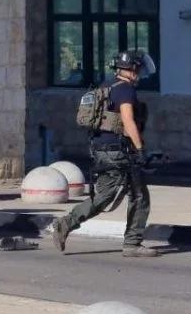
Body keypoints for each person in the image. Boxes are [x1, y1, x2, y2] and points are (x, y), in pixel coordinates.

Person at [53, 50, 158, 258]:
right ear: (133, 69)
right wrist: (140, 150)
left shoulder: (106, 86)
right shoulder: (126, 90)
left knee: (105, 197)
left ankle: (67, 224)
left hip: (101, 149)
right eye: (139, 69)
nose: (140, 74)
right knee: (137, 196)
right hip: (120, 151)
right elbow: (128, 121)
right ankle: (131, 244)